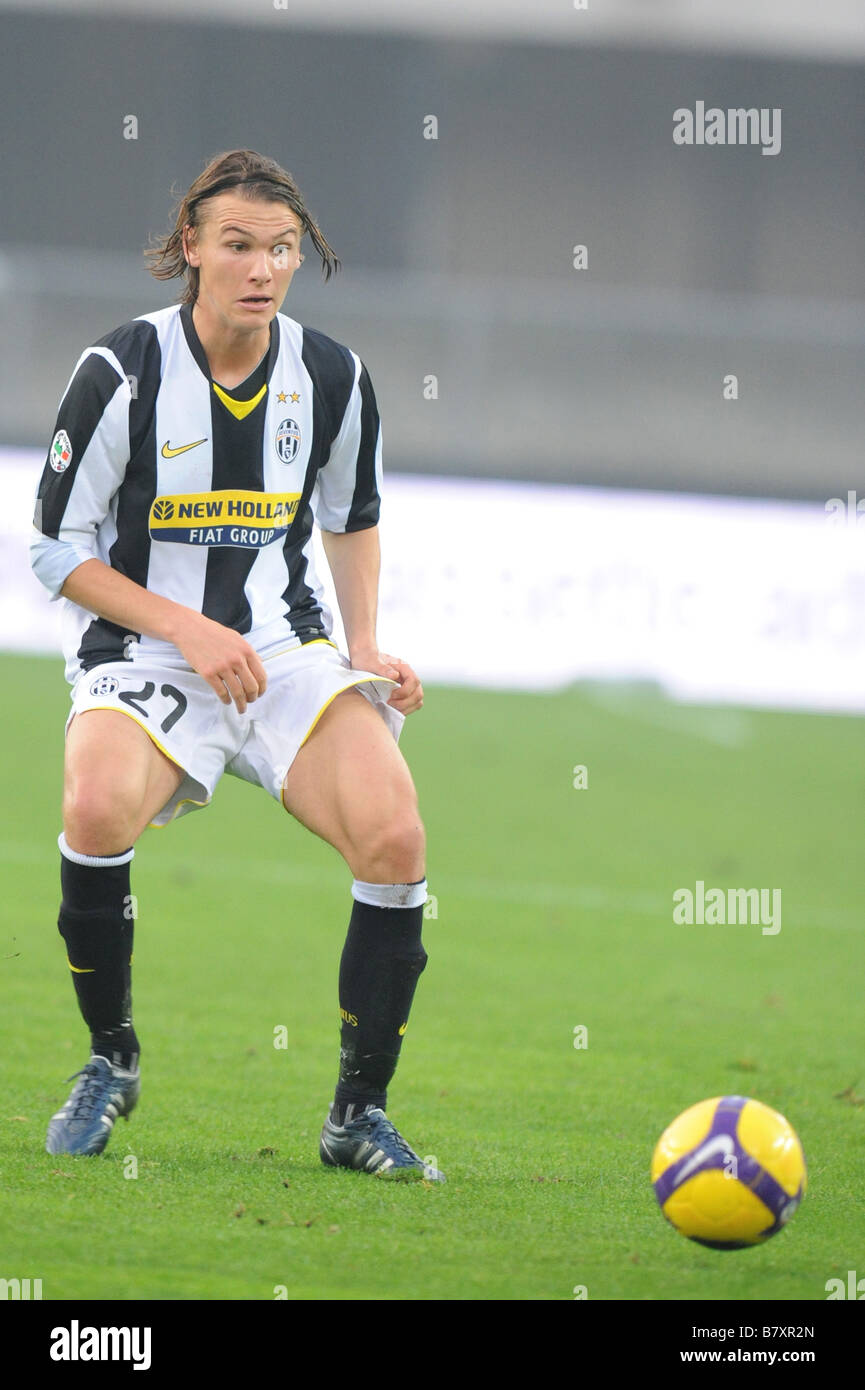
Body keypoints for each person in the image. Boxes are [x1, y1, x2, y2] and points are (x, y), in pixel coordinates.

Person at [30, 148, 443, 1181]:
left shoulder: (334, 377)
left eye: (283, 249)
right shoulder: (120, 372)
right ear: (190, 249)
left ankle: (357, 1114)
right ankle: (109, 1057)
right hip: (148, 650)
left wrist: (363, 650)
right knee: (93, 808)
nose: (262, 268)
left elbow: (352, 521)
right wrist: (188, 626)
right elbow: (52, 549)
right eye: (239, 245)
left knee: (395, 835)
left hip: (285, 650)